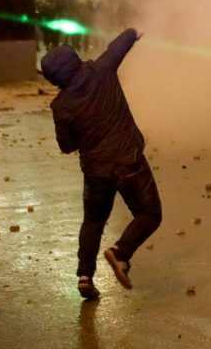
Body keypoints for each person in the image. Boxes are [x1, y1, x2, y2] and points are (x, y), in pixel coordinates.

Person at [41, 28, 162, 300]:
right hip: (129, 161)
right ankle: (120, 253)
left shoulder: (60, 106)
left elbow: (66, 145)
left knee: (93, 221)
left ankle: (85, 276)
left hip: (96, 171)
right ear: (74, 59)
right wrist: (134, 31)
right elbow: (117, 46)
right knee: (149, 214)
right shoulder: (102, 70)